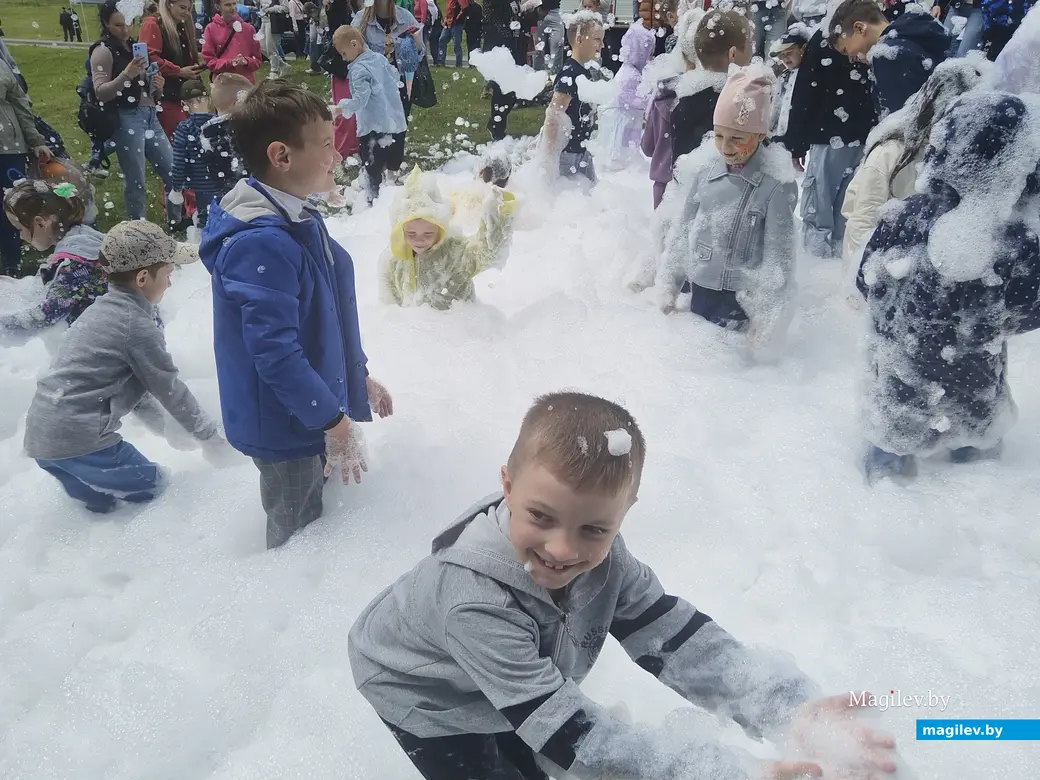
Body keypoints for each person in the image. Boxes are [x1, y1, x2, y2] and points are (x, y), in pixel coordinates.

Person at [348, 391, 900, 780]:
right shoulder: (473, 600)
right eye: (540, 517)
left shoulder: (607, 562)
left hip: (512, 672)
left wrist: (782, 707)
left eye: (593, 528)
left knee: (528, 732)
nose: (563, 549)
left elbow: (674, 638)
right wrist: (708, 772)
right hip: (422, 691)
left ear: (625, 512)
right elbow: (563, 728)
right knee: (489, 759)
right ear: (507, 486)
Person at [199, 80, 393, 549]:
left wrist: (355, 375)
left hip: (310, 412)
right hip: (287, 428)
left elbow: (325, 310)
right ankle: (282, 614)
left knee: (319, 518)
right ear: (281, 157)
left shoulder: (297, 214)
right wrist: (333, 422)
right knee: (297, 536)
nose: (338, 152)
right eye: (327, 144)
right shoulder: (260, 241)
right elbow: (276, 355)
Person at [857, 91, 1040, 483]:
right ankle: (977, 499)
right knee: (977, 440)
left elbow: (868, 278)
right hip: (975, 370)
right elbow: (1028, 310)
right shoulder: (1016, 239)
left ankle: (883, 495)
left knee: (893, 433)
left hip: (903, 365)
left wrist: (896, 317)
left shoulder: (907, 214)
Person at [23, 220, 228, 514]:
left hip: (42, 440)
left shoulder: (99, 311)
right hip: (81, 441)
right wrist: (211, 438)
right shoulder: (136, 326)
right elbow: (170, 390)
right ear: (143, 277)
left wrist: (171, 432)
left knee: (104, 510)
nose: (171, 283)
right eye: (169, 274)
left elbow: (133, 392)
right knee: (158, 494)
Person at [656, 66, 799, 359]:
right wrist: (669, 282)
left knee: (730, 367)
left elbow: (778, 259)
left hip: (741, 297)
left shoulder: (775, 187)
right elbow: (683, 230)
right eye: (719, 135)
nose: (726, 146)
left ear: (760, 135)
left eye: (737, 137)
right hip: (702, 286)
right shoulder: (705, 174)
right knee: (697, 360)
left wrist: (768, 322)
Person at [841, 59, 987, 283]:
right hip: (887, 268)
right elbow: (861, 223)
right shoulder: (891, 153)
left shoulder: (967, 156)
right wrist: (860, 283)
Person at [784, 23, 877, 258]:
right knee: (846, 211)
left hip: (830, 136)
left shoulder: (827, 36)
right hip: (861, 135)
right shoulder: (869, 30)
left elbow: (805, 91)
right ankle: (835, 264)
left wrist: (797, 140)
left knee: (820, 213)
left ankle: (819, 268)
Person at [88, 0, 180, 228]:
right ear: (106, 24)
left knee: (174, 173)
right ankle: (138, 229)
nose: (125, 29)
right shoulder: (103, 51)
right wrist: (126, 75)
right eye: (118, 25)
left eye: (128, 23)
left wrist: (157, 84)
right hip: (125, 117)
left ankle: (176, 222)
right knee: (136, 179)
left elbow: (149, 89)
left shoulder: (136, 47)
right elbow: (100, 92)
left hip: (149, 114)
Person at [380, 167, 515, 308]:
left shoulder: (454, 254)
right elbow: (390, 307)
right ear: (401, 231)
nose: (419, 240)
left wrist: (498, 215)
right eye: (411, 234)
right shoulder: (394, 263)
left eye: (428, 234)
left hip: (457, 323)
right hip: (415, 326)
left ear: (440, 230)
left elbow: (486, 252)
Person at [1, 180, 106, 335]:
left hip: (103, 341)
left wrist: (4, 325)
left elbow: (46, 315)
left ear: (40, 223)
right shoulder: (85, 237)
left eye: (20, 228)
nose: (21, 236)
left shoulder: (73, 263)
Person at [829, 0, 951, 117]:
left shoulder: (885, 57)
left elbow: (900, 123)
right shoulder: (914, 30)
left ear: (860, 28)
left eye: (846, 50)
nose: (850, 59)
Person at [333, 25, 409, 204]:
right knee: (393, 161)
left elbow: (360, 100)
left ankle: (372, 201)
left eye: (343, 53)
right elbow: (396, 77)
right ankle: (391, 190)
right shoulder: (379, 58)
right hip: (396, 122)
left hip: (374, 128)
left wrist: (339, 108)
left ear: (354, 44)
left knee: (372, 169)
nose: (344, 59)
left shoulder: (358, 70)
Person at [670, 9, 752, 168]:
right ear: (733, 54)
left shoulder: (685, 101)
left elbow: (680, 167)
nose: (753, 48)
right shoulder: (737, 103)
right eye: (749, 42)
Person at [0, 59, 53, 277]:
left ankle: (12, 260)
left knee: (14, 204)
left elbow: (20, 102)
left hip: (9, 147)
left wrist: (35, 140)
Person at [541, 11, 604, 185]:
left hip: (582, 152)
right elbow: (553, 118)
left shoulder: (582, 72)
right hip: (568, 156)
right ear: (580, 39)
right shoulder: (569, 74)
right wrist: (550, 159)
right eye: (597, 39)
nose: (601, 45)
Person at [140, 0, 207, 140]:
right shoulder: (153, 25)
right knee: (178, 138)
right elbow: (149, 58)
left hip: (181, 92)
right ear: (169, 4)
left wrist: (195, 67)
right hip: (163, 93)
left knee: (190, 136)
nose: (187, 13)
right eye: (182, 8)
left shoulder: (179, 26)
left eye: (189, 9)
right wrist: (178, 71)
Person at [596, 22, 655, 170]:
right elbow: (625, 97)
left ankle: (628, 160)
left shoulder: (633, 71)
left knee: (630, 140)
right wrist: (647, 102)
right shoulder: (629, 73)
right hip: (621, 116)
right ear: (639, 52)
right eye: (648, 53)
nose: (650, 58)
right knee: (619, 141)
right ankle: (616, 161)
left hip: (629, 116)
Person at [170, 80, 220, 227]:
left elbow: (179, 161)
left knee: (205, 222)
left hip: (201, 185)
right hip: (223, 183)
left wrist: (177, 188)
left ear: (184, 103)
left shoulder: (184, 128)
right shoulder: (219, 123)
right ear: (209, 99)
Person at [199, 72, 254, 199]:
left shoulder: (206, 131)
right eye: (250, 101)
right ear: (237, 104)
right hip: (248, 191)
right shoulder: (242, 127)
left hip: (219, 193)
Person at [768, 23, 810, 148]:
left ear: (803, 49)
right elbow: (775, 108)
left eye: (789, 52)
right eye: (781, 55)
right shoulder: (783, 76)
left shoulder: (809, 76)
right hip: (779, 138)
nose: (785, 58)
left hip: (799, 140)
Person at [203, 0, 263, 83]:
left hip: (246, 83)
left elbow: (257, 60)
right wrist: (229, 63)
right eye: (227, 5)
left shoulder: (249, 29)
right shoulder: (210, 29)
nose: (233, 8)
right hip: (222, 83)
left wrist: (246, 61)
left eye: (234, 4)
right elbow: (209, 61)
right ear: (218, 7)